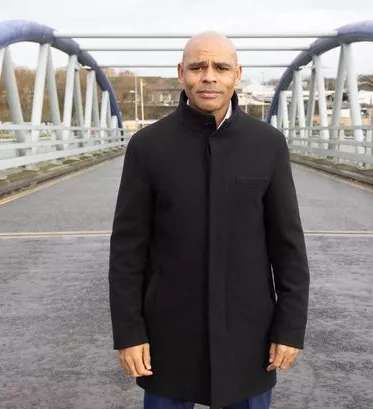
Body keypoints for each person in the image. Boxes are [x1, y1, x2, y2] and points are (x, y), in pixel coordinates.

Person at [108, 31, 310, 409]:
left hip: (250, 334)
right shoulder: (148, 146)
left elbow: (288, 247)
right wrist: (129, 333)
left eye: (220, 67)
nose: (209, 76)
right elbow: (127, 250)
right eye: (198, 67)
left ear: (237, 74)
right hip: (168, 332)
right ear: (182, 73)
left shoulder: (267, 144)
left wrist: (290, 328)